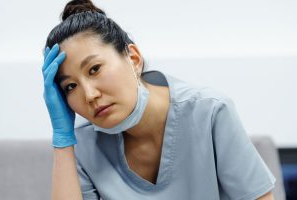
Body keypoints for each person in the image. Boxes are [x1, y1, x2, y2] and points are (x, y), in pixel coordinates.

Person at [42, 0, 276, 199]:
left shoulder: (209, 111)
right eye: (70, 86)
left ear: (133, 58)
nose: (90, 95)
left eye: (94, 69)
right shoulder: (83, 146)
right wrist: (62, 139)